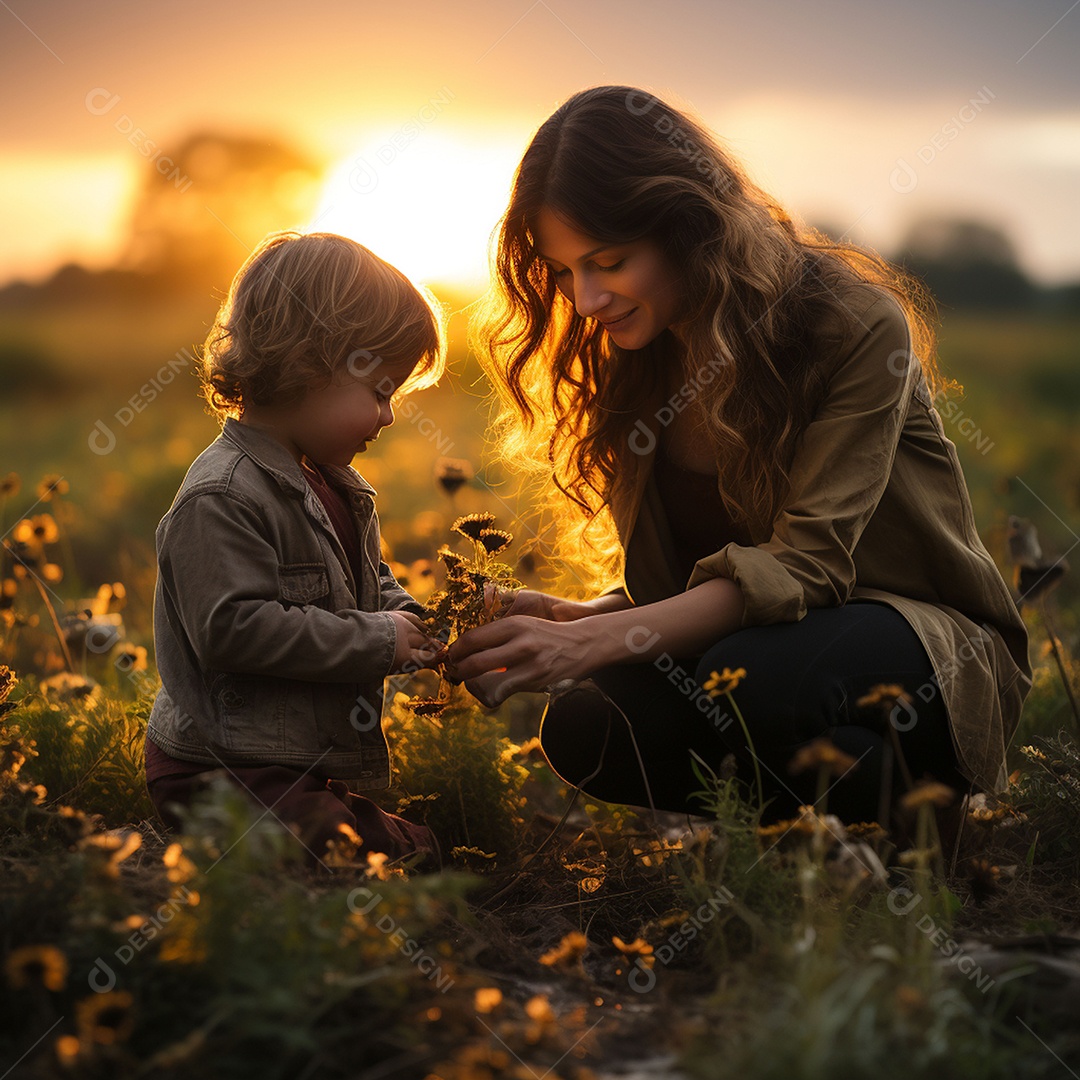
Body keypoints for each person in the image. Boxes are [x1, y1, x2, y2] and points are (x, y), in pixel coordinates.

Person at [448, 86, 1031, 827]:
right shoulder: (637, 357)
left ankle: (915, 791)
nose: (586, 298)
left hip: (919, 645)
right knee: (587, 726)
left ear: (688, 229)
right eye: (564, 273)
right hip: (767, 652)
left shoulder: (851, 325)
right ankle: (860, 814)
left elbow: (806, 567)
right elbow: (712, 576)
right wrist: (578, 619)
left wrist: (589, 641)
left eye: (609, 262)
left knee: (754, 678)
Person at [145, 231, 447, 868]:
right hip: (219, 766)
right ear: (310, 364)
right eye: (382, 392)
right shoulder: (221, 495)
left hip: (286, 755)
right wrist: (378, 640)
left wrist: (420, 623)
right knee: (341, 850)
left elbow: (368, 583)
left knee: (391, 844)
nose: (389, 417)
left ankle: (366, 831)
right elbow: (232, 630)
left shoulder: (329, 481)